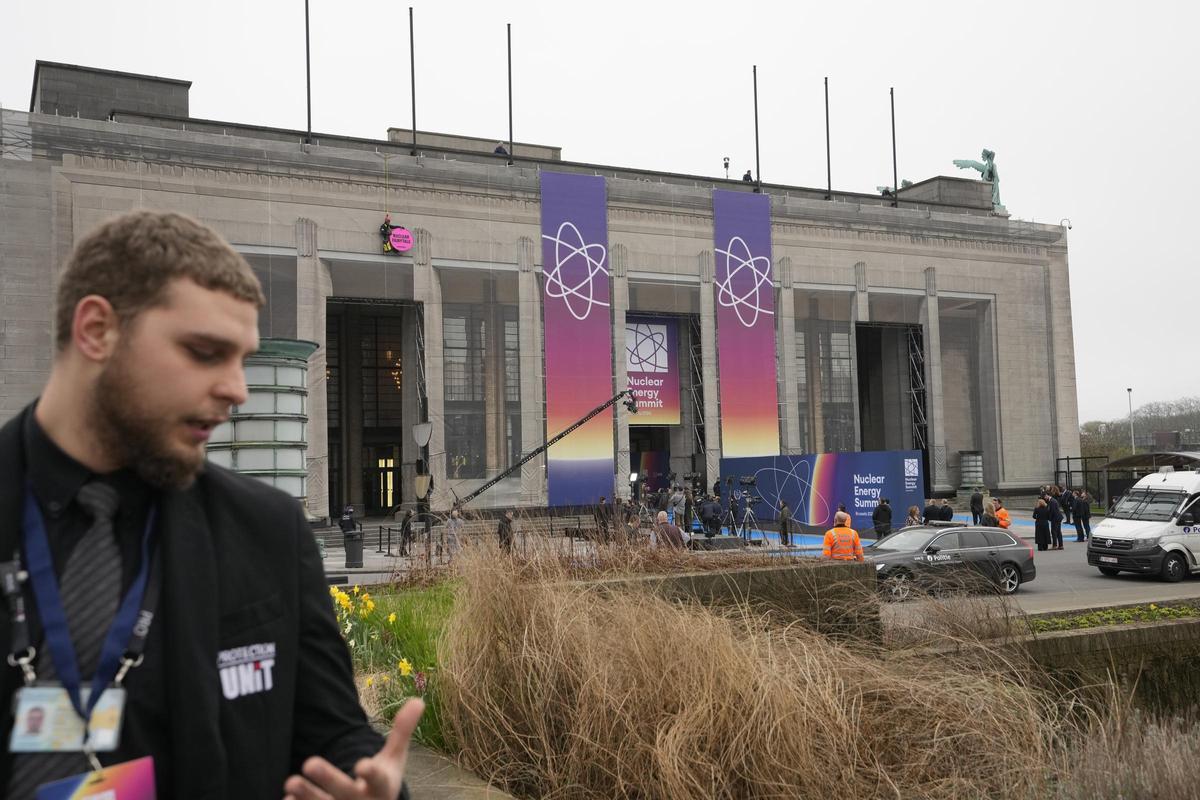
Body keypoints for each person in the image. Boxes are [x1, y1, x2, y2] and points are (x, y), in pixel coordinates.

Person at [0, 210, 419, 799]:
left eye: (242, 359)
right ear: (96, 330)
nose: (237, 390)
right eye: (204, 352)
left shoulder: (268, 530)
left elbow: (334, 736)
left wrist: (368, 786)